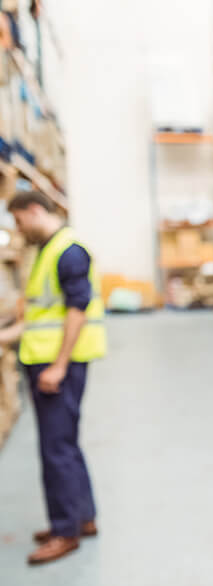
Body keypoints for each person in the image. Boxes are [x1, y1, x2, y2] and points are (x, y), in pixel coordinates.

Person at [8, 191, 108, 565]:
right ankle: (83, 517)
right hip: (47, 359)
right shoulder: (49, 248)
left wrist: (59, 365)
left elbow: (76, 310)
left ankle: (65, 531)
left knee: (56, 449)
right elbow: (40, 315)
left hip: (57, 366)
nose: (19, 230)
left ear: (35, 211)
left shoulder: (68, 249)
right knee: (65, 443)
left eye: (19, 221)